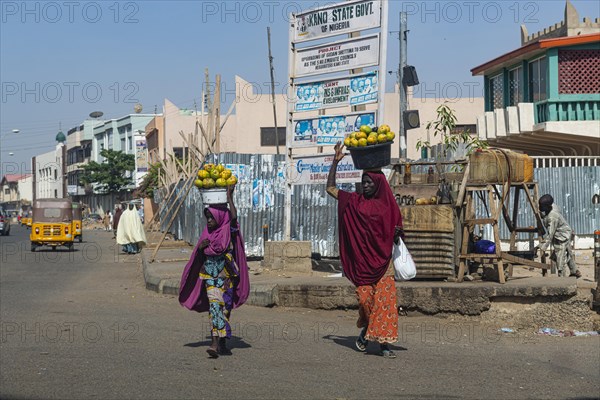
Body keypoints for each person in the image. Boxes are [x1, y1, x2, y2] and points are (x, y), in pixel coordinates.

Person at [326, 142, 404, 358]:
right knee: (365, 301)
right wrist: (335, 162)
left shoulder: (389, 206)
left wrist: (397, 233)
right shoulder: (354, 202)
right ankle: (366, 332)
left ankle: (384, 346)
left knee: (385, 304)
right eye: (363, 182)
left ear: (378, 184)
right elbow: (330, 189)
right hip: (362, 265)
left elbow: (398, 226)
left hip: (384, 264)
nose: (366, 185)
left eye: (369, 182)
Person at [179, 186, 250, 358]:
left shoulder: (228, 230)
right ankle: (215, 343)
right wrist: (201, 248)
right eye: (207, 217)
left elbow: (234, 218)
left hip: (227, 278)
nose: (209, 221)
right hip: (210, 276)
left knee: (224, 309)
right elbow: (199, 254)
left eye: (211, 217)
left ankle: (223, 343)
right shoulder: (207, 233)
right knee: (214, 307)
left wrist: (229, 197)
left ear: (219, 217)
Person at [538, 194, 581, 278]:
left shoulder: (553, 217)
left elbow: (550, 235)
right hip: (566, 232)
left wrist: (539, 247)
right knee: (568, 253)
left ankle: (562, 281)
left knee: (560, 259)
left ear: (548, 206)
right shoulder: (552, 206)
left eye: (542, 206)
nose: (540, 208)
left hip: (561, 237)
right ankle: (574, 271)